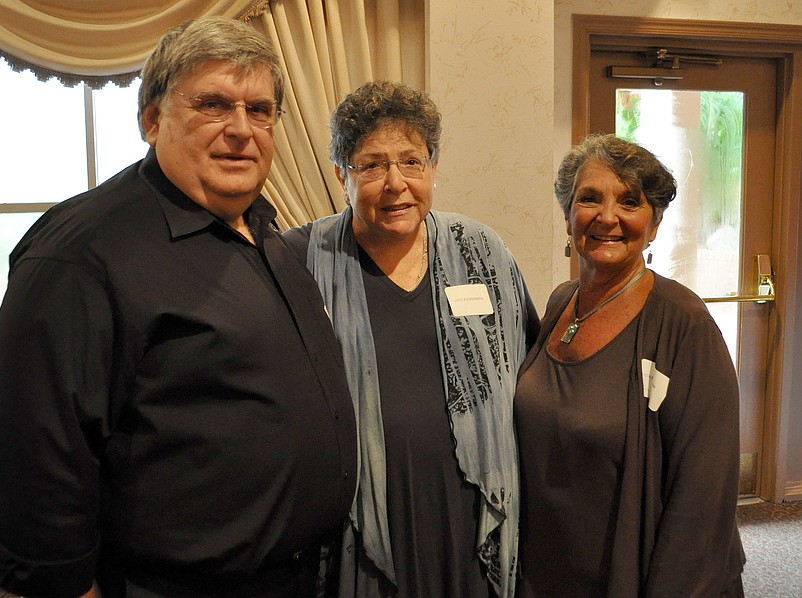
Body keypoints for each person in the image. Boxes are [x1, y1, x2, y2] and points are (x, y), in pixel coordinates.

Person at [0, 16, 357, 598]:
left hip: (295, 578)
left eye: (260, 110)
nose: (241, 129)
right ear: (152, 121)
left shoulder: (262, 228)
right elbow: (31, 451)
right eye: (213, 105)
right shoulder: (84, 251)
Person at [283, 80, 540, 598]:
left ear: (433, 166)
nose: (395, 182)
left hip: (471, 518)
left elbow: (530, 371)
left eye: (412, 161)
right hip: (364, 519)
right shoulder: (301, 260)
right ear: (340, 174)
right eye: (372, 164)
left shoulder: (482, 251)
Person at [514, 133, 746, 597]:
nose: (607, 217)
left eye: (629, 201)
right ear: (567, 216)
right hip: (550, 569)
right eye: (589, 199)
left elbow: (703, 500)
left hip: (636, 576)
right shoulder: (561, 303)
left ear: (654, 224)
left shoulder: (685, 325)